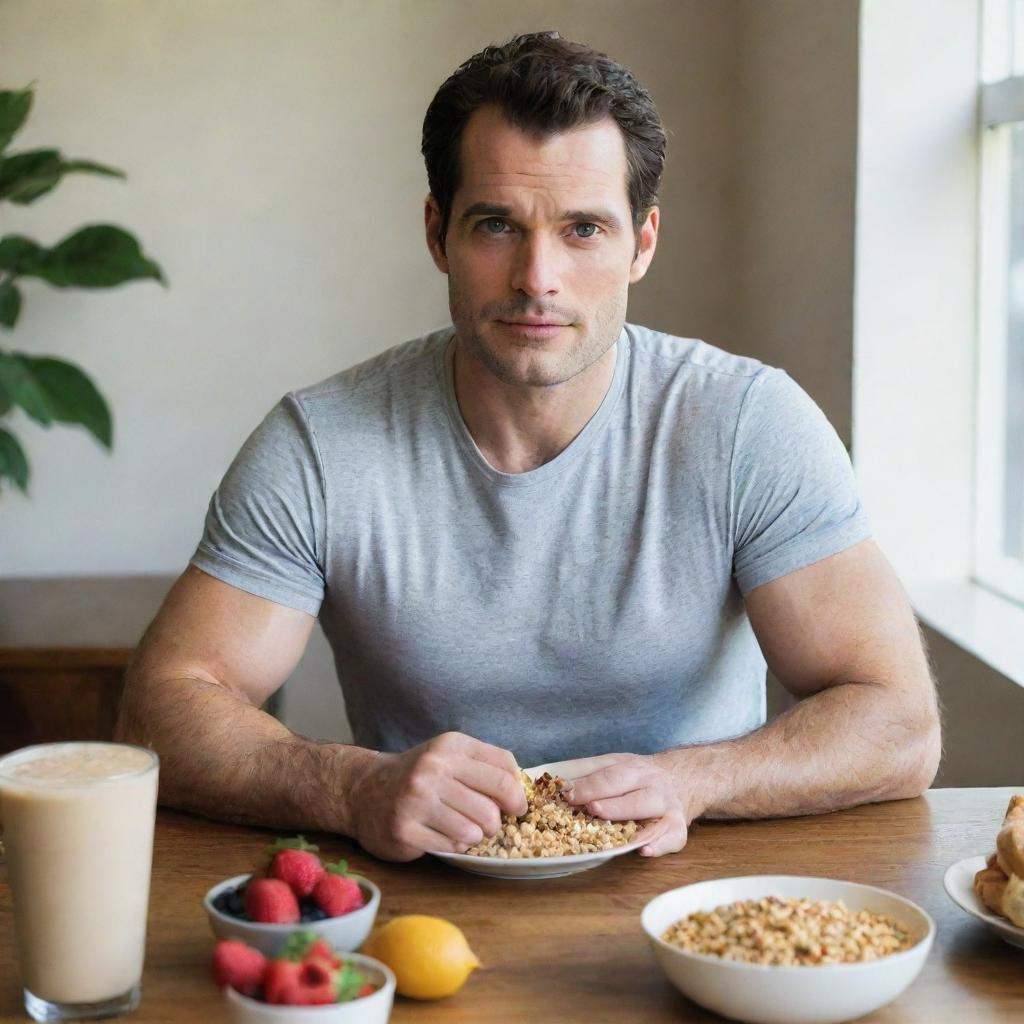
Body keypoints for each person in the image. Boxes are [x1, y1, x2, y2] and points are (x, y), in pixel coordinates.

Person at [116, 32, 941, 862]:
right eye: (496, 226)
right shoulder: (322, 445)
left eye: (583, 229)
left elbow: (899, 722)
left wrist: (695, 781)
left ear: (641, 244)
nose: (537, 277)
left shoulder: (745, 424)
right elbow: (162, 708)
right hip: (424, 899)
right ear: (438, 234)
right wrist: (351, 785)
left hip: (697, 889)